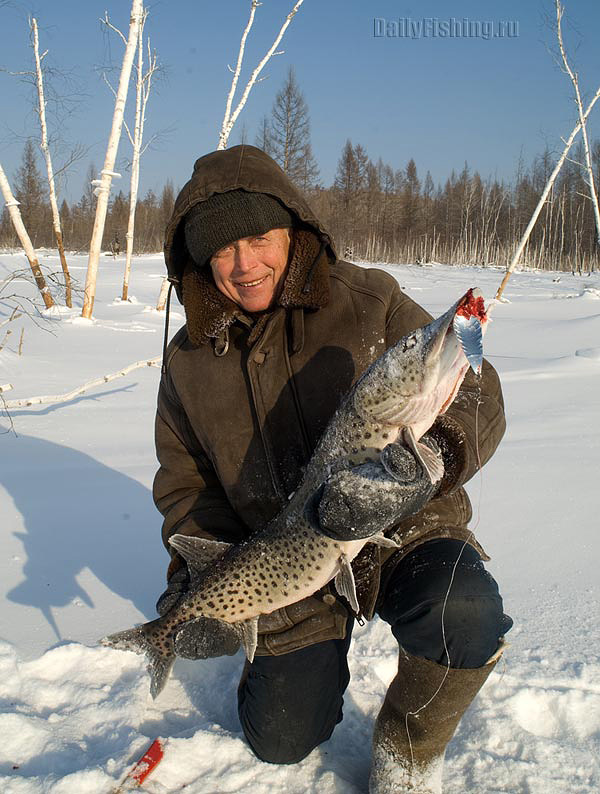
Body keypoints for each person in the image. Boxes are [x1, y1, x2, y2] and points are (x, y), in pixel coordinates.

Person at [153, 145, 512, 793]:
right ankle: (306, 649)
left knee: (464, 615)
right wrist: (196, 580)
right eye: (223, 251)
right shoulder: (186, 362)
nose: (245, 265)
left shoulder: (369, 298)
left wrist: (428, 461)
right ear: (200, 262)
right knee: (282, 742)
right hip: (285, 558)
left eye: (259, 238)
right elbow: (186, 485)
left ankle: (408, 754)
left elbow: (475, 390)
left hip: (401, 518)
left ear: (292, 229)